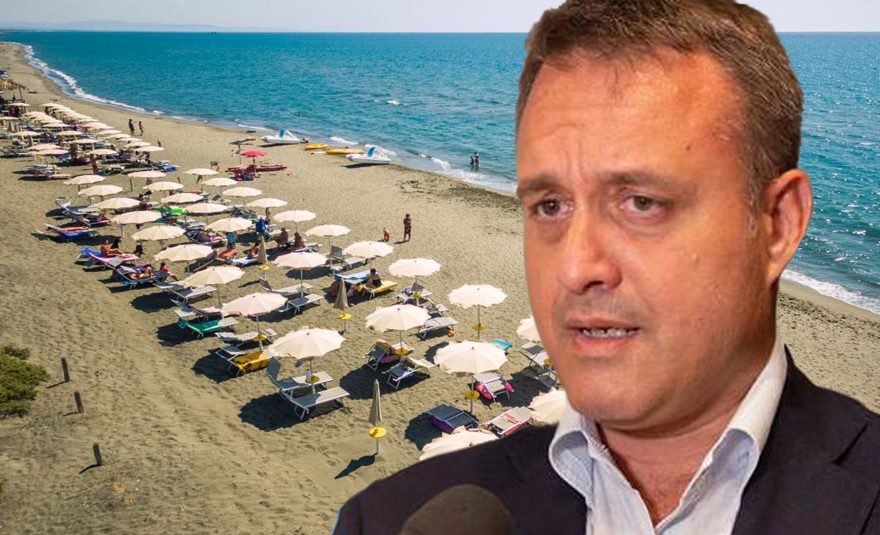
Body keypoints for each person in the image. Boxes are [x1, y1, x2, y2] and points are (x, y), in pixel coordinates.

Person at [334, 2, 880, 534]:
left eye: (642, 202)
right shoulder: (387, 519)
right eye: (550, 205)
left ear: (778, 224)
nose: (574, 268)